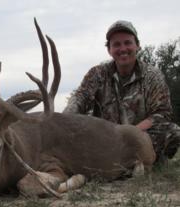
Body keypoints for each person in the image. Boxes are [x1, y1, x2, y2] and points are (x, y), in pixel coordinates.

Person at [63, 20, 180, 164]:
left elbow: (163, 113)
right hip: (104, 140)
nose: (123, 49)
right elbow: (80, 98)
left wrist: (130, 133)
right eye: (116, 44)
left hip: (139, 137)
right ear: (109, 50)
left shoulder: (152, 75)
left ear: (137, 45)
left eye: (127, 43)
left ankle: (131, 161)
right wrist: (62, 120)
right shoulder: (97, 73)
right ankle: (133, 164)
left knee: (172, 132)